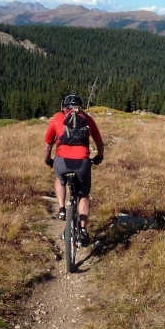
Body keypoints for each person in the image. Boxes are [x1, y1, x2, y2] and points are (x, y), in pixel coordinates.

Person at [43, 94, 104, 246]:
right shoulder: (87, 119)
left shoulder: (57, 118)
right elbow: (99, 141)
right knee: (83, 195)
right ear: (80, 106)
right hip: (82, 162)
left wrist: (48, 159)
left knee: (59, 179)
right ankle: (83, 229)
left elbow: (48, 145)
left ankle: (62, 209)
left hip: (62, 161)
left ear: (64, 106)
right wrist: (99, 157)